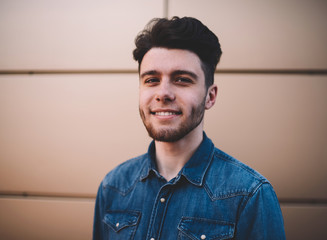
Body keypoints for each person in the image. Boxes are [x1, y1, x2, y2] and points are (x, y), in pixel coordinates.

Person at [93, 16, 286, 239]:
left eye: (182, 79)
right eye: (151, 80)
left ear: (210, 96)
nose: (163, 93)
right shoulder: (113, 187)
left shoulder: (250, 195)